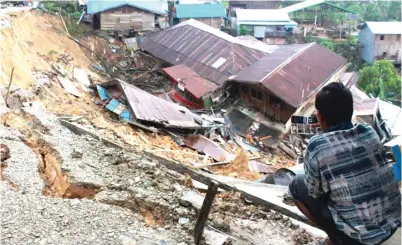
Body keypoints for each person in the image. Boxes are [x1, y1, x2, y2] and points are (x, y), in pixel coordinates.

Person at [289, 82, 401, 245]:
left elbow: (314, 192)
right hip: (393, 227)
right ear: (351, 111)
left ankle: (337, 240)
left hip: (362, 240)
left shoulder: (317, 146)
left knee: (296, 185)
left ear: (319, 116)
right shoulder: (369, 132)